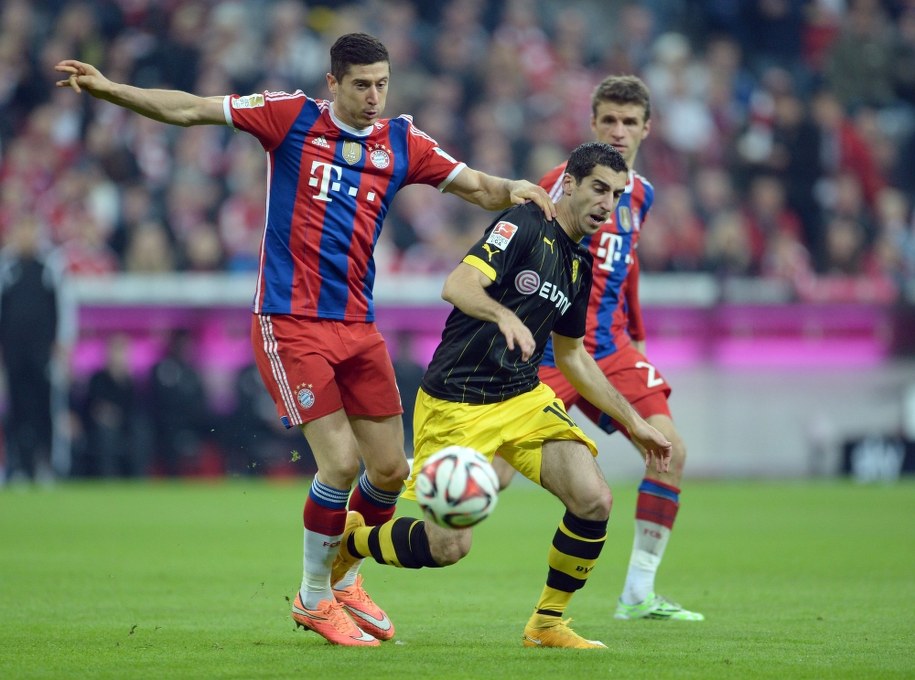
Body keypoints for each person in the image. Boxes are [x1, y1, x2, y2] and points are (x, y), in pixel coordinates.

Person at [55, 32, 555, 647]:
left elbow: (476, 186)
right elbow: (188, 108)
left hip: (357, 326)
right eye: (362, 86)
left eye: (382, 84)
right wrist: (110, 90)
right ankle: (314, 598)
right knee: (340, 462)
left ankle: (343, 581)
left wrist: (518, 189)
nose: (375, 97)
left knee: (391, 469)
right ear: (333, 84)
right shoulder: (290, 118)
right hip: (288, 321)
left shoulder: (401, 141)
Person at [331, 141, 672, 649]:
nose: (607, 202)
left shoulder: (580, 265)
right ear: (571, 185)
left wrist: (635, 423)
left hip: (522, 397)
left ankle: (547, 623)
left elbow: (575, 358)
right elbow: (458, 285)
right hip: (457, 401)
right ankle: (349, 541)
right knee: (449, 546)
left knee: (595, 498)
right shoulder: (526, 224)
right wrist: (503, 313)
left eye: (618, 194)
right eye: (599, 188)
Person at [494, 75, 704, 621]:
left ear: (646, 129)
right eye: (608, 119)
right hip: (550, 352)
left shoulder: (643, 195)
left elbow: (626, 263)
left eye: (629, 121)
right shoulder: (558, 183)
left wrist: (636, 331)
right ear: (592, 124)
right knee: (488, 478)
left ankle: (638, 591)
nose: (618, 131)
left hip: (610, 345)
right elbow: (517, 252)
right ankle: (392, 497)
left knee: (670, 451)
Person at [0, 215, 71, 486]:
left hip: (43, 351)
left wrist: (63, 344)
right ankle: (17, 466)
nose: (26, 236)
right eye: (22, 229)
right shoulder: (7, 268)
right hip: (13, 352)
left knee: (45, 409)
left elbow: (63, 308)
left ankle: (46, 466)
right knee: (15, 410)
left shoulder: (50, 267)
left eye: (31, 230)